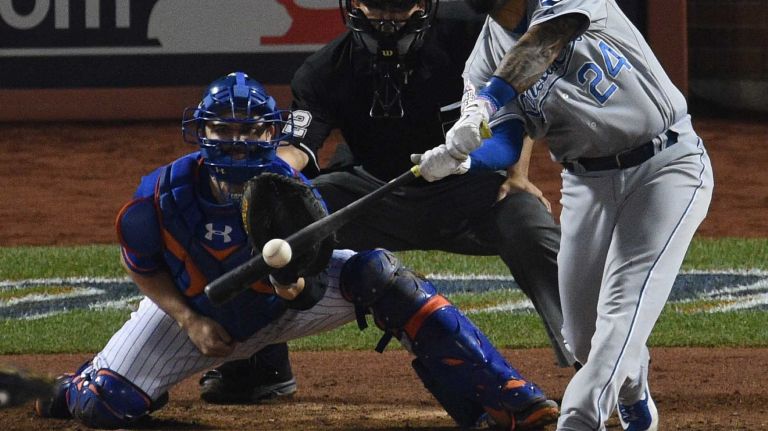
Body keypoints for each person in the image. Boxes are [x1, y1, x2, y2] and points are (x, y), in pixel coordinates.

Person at [33, 71, 560, 430]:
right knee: (103, 405)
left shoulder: (287, 190)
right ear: (203, 131)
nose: (237, 140)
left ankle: (502, 395)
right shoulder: (160, 198)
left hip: (276, 305)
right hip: (194, 317)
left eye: (251, 129)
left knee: (381, 274)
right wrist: (188, 321)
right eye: (224, 128)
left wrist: (294, 287)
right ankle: (80, 379)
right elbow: (143, 268)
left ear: (271, 132)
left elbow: (305, 285)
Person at [200, 0, 575, 405]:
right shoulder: (324, 69)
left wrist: (518, 173)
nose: (390, 18)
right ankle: (258, 365)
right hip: (372, 194)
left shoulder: (470, 37)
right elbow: (299, 147)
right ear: (354, 4)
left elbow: (520, 101)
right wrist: (262, 178)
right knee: (274, 219)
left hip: (471, 192)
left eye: (401, 6)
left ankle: (591, 360)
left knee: (530, 224)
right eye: (378, 6)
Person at [415, 1, 714, 430]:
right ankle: (634, 389)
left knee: (620, 315)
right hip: (586, 184)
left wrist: (486, 100)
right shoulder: (482, 61)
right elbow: (505, 140)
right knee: (581, 338)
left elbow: (543, 43)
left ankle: (579, 418)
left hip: (666, 166)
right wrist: (464, 157)